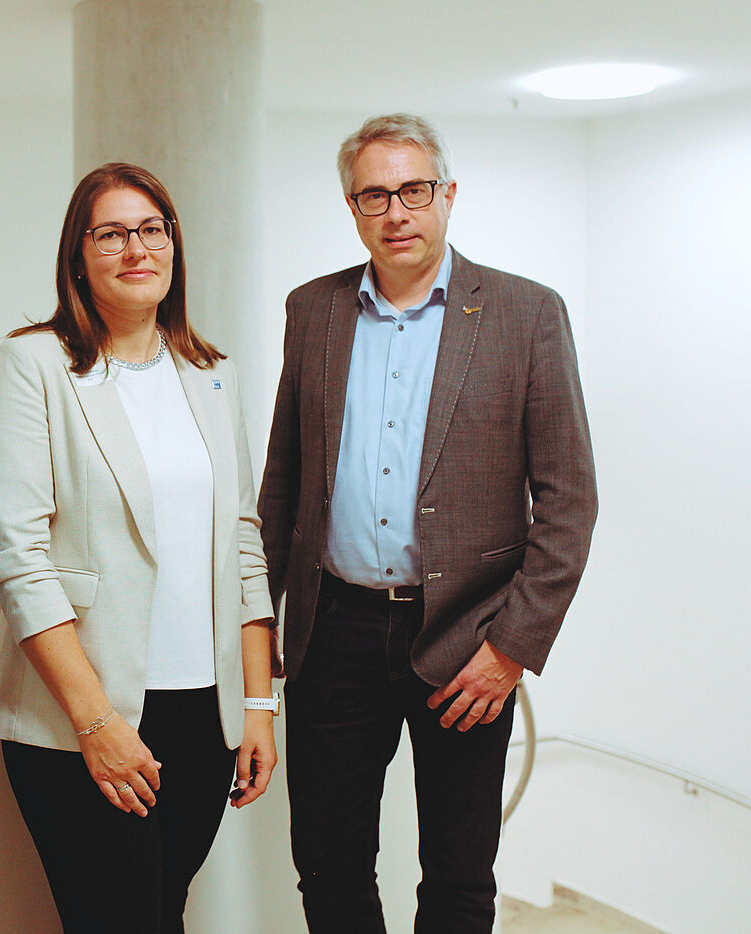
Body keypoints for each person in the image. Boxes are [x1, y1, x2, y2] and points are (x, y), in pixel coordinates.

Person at [258, 114, 599, 933]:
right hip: (330, 633)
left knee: (457, 874)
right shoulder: (314, 311)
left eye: (414, 190)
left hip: (466, 638)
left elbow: (568, 500)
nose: (397, 211)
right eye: (375, 194)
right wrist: (261, 622)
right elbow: (284, 481)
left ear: (447, 195)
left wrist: (512, 648)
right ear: (352, 206)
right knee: (329, 867)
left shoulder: (525, 314)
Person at [0, 162, 278, 934]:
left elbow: (244, 541)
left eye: (151, 229)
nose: (135, 248)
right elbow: (16, 557)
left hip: (202, 718)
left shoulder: (212, 375)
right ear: (78, 255)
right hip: (83, 717)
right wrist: (97, 723)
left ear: (173, 245)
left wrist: (257, 705)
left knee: (161, 914)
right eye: (110, 233)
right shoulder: (33, 364)